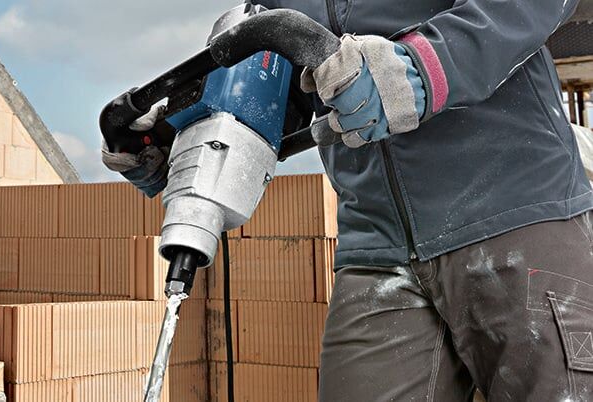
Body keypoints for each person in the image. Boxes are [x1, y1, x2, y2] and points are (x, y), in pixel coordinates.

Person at [103, 1, 593, 400]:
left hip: (515, 211)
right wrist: (173, 139)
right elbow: (281, 89)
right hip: (376, 244)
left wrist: (421, 69)